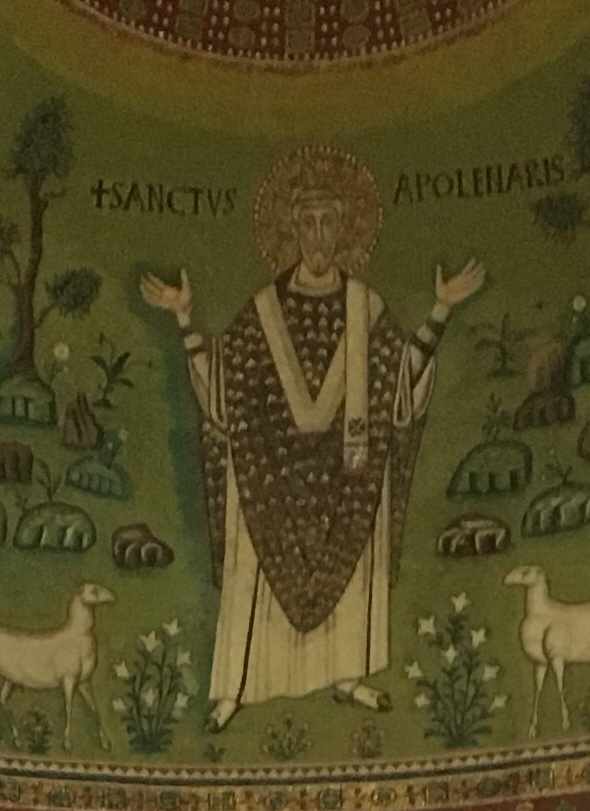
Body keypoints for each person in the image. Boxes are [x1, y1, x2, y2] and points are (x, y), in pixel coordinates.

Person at [143, 147, 481, 727]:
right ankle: (238, 686)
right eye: (308, 223)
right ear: (291, 231)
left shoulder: (365, 306)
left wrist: (440, 312)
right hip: (271, 473)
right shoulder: (262, 309)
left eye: (329, 223)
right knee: (252, 536)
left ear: (344, 232)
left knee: (358, 531)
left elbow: (401, 388)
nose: (319, 235)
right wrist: (183, 318)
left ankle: (346, 674)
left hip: (347, 474)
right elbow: (223, 391)